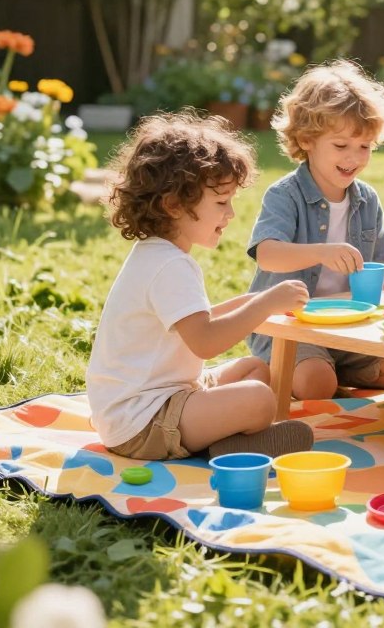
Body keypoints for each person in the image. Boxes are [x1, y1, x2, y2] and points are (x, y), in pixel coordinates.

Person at [87, 111, 314, 461]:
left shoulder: (158, 255)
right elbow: (206, 341)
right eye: (221, 202)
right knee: (259, 399)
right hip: (142, 420)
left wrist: (252, 300)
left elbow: (194, 321)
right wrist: (264, 305)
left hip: (161, 397)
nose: (231, 214)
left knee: (256, 369)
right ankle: (219, 445)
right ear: (173, 205)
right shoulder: (169, 266)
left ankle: (219, 442)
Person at [246, 60, 384, 399]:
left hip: (348, 325)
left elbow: (382, 263)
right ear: (307, 140)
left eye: (364, 146)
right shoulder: (285, 195)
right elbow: (267, 255)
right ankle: (286, 372)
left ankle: (329, 373)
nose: (354, 158)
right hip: (290, 327)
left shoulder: (367, 200)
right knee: (317, 383)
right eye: (341, 146)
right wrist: (322, 253)